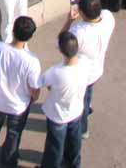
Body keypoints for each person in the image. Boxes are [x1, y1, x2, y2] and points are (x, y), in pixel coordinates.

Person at [0, 15, 42, 167]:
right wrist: (34, 98)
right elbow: (35, 88)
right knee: (14, 134)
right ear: (30, 36)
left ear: (13, 30)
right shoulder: (32, 61)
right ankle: (8, 161)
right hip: (18, 106)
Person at [62, 0, 114, 141]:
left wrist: (69, 21)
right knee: (88, 94)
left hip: (82, 75)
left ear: (82, 13)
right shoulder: (108, 18)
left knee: (81, 103)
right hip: (97, 69)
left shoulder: (79, 32)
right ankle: (87, 109)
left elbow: (61, 43)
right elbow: (102, 10)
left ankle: (82, 129)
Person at [39, 31, 89, 168]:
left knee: (55, 147)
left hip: (58, 115)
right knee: (74, 142)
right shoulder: (84, 65)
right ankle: (74, 165)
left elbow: (41, 82)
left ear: (61, 50)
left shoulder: (56, 72)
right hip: (76, 111)